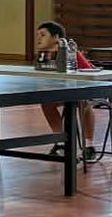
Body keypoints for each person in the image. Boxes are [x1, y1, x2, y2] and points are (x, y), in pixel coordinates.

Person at [34, 19, 97, 154]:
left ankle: (89, 146)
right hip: (64, 91)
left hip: (85, 90)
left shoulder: (71, 51)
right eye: (38, 35)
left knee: (83, 102)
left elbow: (89, 73)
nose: (38, 38)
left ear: (56, 37)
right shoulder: (44, 55)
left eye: (43, 35)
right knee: (46, 103)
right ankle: (61, 142)